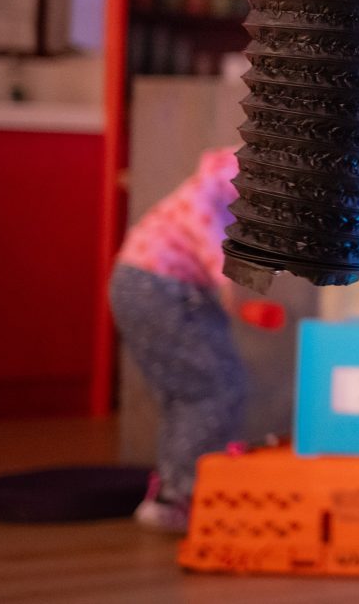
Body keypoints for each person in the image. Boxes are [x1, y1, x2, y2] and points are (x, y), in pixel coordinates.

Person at [108, 146, 246, 533]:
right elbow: (215, 247)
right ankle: (183, 494)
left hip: (139, 284)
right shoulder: (206, 198)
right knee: (214, 389)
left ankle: (171, 491)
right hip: (160, 289)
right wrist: (235, 289)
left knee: (186, 393)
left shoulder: (215, 193)